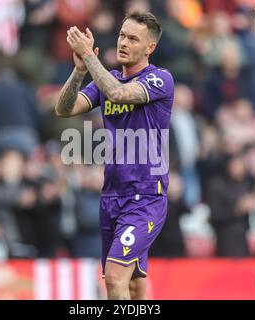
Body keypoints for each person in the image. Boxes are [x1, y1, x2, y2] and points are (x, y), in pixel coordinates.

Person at [55, 12, 173, 300]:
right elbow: (64, 108)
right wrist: (80, 70)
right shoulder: (106, 80)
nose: (124, 42)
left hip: (145, 197)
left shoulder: (160, 79)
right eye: (122, 35)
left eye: (133, 39)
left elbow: (119, 94)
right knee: (131, 284)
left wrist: (89, 57)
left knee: (115, 274)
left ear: (150, 48)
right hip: (112, 195)